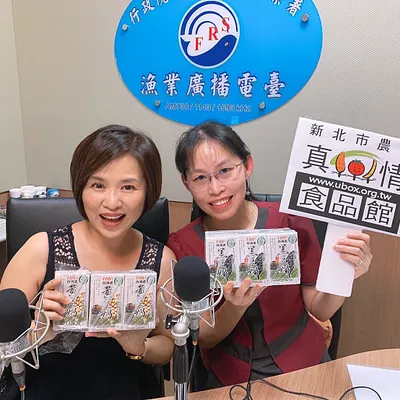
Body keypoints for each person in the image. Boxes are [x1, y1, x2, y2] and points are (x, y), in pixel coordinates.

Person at [167, 121, 373, 389]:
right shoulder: (183, 245)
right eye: (200, 178)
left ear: (247, 166)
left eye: (225, 171)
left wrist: (344, 275)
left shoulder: (288, 222)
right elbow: (204, 337)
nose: (215, 189)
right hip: (230, 376)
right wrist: (235, 306)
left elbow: (319, 308)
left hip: (304, 362)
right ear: (186, 183)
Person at [0, 125, 176, 399]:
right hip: (45, 389)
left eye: (128, 187)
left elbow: (167, 344)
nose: (112, 202)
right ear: (81, 188)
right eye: (98, 185)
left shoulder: (162, 261)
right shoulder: (40, 250)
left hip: (128, 389)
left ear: (147, 192)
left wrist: (139, 346)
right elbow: (3, 345)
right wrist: (39, 330)